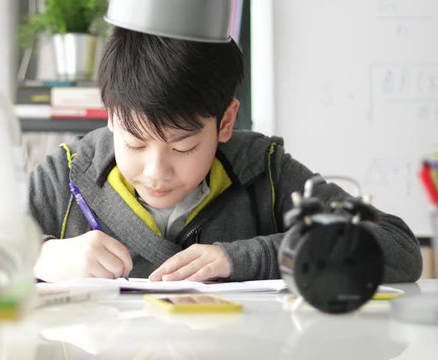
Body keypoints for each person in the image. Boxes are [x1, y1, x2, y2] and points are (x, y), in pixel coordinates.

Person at [28, 27, 422, 283]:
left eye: (183, 147)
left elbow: (397, 248)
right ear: (111, 117)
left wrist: (249, 258)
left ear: (226, 121)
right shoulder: (62, 176)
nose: (155, 171)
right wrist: (40, 256)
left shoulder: (264, 172)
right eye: (134, 143)